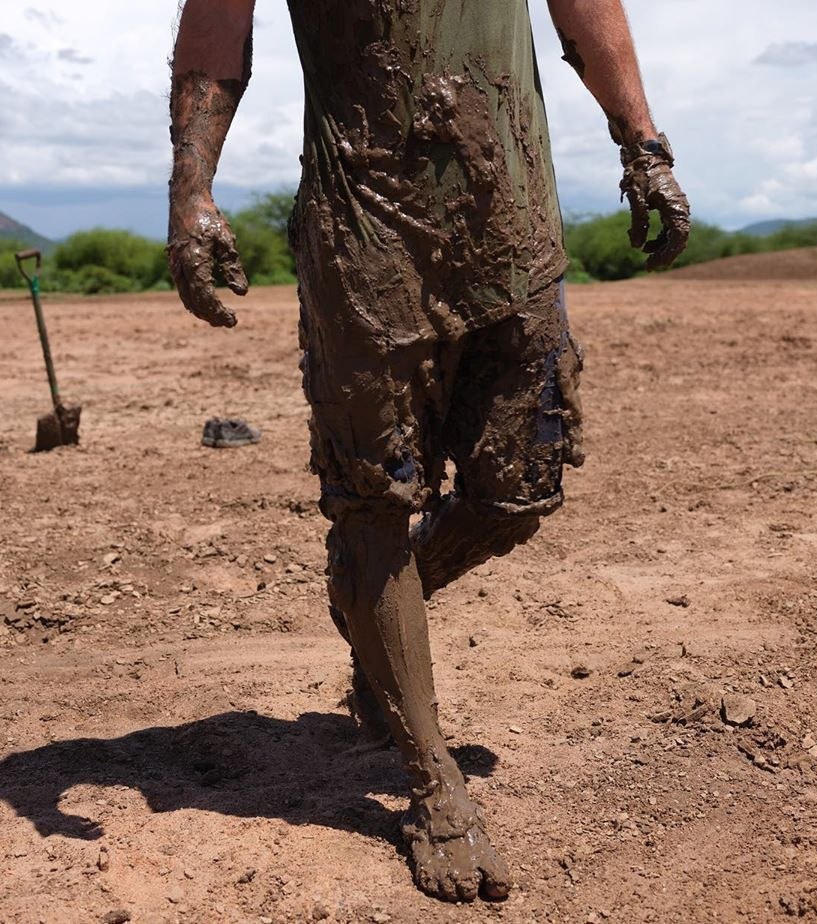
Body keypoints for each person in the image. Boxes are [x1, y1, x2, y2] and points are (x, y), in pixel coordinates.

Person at [168, 0, 689, 902]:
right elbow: (217, 34)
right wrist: (191, 190)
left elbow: (584, 8)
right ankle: (430, 782)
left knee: (518, 489)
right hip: (366, 232)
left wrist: (643, 147)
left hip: (511, 215)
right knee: (374, 501)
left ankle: (370, 614)